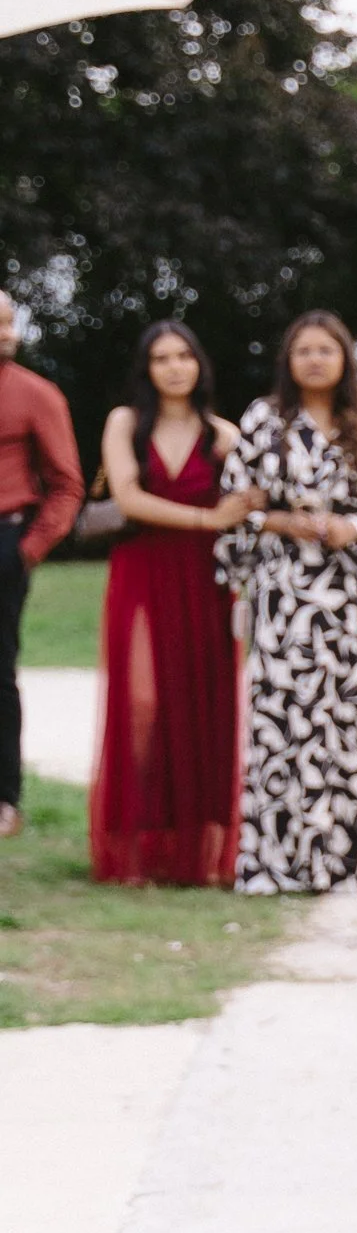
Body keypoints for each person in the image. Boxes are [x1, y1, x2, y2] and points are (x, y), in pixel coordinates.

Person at [216, 310, 357, 893]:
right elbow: (234, 511)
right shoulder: (262, 421)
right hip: (287, 598)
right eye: (303, 350)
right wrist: (278, 521)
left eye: (325, 350)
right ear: (288, 360)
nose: (314, 360)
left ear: (344, 361)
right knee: (288, 721)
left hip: (356, 600)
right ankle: (286, 863)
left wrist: (350, 530)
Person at [89, 320, 252, 886]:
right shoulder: (126, 423)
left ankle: (201, 850)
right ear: (147, 369)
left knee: (206, 701)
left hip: (205, 578)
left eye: (184, 355)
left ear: (200, 364)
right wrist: (208, 518)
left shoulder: (224, 435)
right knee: (143, 701)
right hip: (142, 572)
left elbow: (251, 500)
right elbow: (128, 497)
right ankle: (140, 846)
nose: (175, 366)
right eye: (162, 358)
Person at [0, 286, 83, 841]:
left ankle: (5, 800)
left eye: (5, 322)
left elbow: (67, 483)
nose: (1, 331)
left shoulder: (37, 395)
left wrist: (28, 550)